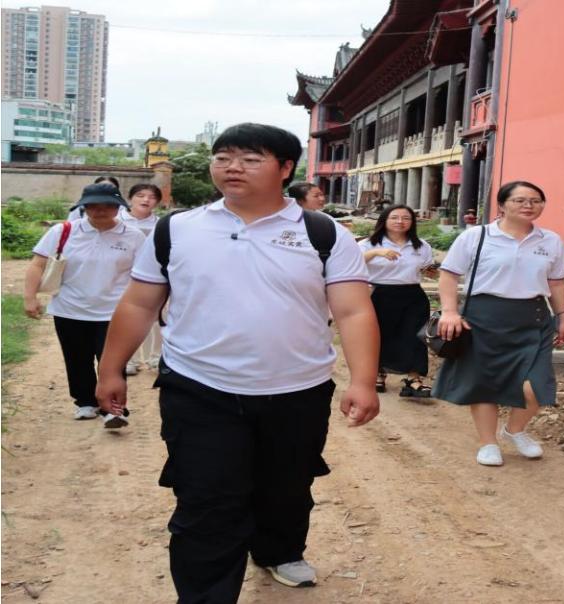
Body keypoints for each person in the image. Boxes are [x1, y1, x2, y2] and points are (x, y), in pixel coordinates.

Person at [94, 122, 380, 601]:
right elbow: (139, 303)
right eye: (223, 157)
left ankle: (278, 550)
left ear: (285, 168)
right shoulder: (177, 229)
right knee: (207, 499)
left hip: (297, 389)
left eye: (250, 159)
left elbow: (353, 311)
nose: (232, 167)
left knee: (286, 486)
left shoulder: (323, 233)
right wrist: (110, 369)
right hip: (199, 387)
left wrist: (364, 381)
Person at [433, 181, 564, 466]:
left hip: (533, 318)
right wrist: (449, 311)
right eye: (520, 200)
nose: (528, 205)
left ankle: (514, 430)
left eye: (536, 200)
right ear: (502, 205)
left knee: (537, 383)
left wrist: (563, 317)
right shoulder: (477, 236)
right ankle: (488, 443)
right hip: (483, 317)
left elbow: (556, 283)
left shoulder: (550, 240)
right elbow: (449, 274)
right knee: (484, 382)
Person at [23, 183, 145, 429]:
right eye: (93, 206)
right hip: (69, 309)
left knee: (113, 362)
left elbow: (143, 274)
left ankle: (113, 409)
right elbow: (38, 264)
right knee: (77, 359)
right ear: (83, 207)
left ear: (118, 208)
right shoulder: (63, 231)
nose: (100, 210)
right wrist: (30, 297)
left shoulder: (134, 236)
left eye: (108, 205)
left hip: (114, 311)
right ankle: (85, 402)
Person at [358, 204, 435, 397]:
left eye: (406, 218)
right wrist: (376, 253)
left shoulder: (421, 245)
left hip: (413, 295)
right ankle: (378, 372)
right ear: (384, 220)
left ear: (412, 222)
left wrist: (432, 271)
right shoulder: (369, 244)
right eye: (394, 217)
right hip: (380, 294)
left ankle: (414, 379)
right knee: (380, 335)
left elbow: (428, 269)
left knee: (415, 337)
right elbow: (352, 262)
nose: (400, 222)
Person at [120, 183, 164, 376]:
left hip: (154, 278)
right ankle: (130, 359)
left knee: (157, 317)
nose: (146, 200)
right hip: (123, 276)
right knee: (127, 317)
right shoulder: (118, 222)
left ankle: (156, 357)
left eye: (152, 197)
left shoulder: (162, 224)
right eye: (140, 195)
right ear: (130, 198)